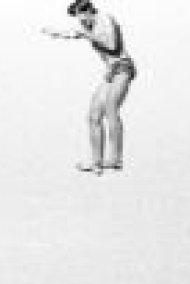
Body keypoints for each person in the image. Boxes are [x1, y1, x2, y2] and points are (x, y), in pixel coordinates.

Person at [42, 1, 136, 175]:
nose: (82, 21)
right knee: (93, 116)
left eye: (82, 17)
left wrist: (86, 34)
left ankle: (115, 159)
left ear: (89, 11)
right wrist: (55, 33)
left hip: (123, 67)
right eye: (78, 18)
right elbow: (74, 33)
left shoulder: (105, 19)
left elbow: (112, 45)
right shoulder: (88, 27)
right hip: (110, 71)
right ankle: (96, 162)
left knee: (111, 108)